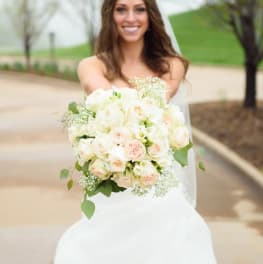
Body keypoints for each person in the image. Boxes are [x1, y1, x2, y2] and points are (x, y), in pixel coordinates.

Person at [54, 0, 217, 263]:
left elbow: (155, 100)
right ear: (110, 15)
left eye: (139, 9)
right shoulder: (92, 65)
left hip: (157, 186)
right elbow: (103, 97)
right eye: (121, 9)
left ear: (151, 15)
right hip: (111, 183)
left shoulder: (171, 65)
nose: (131, 18)